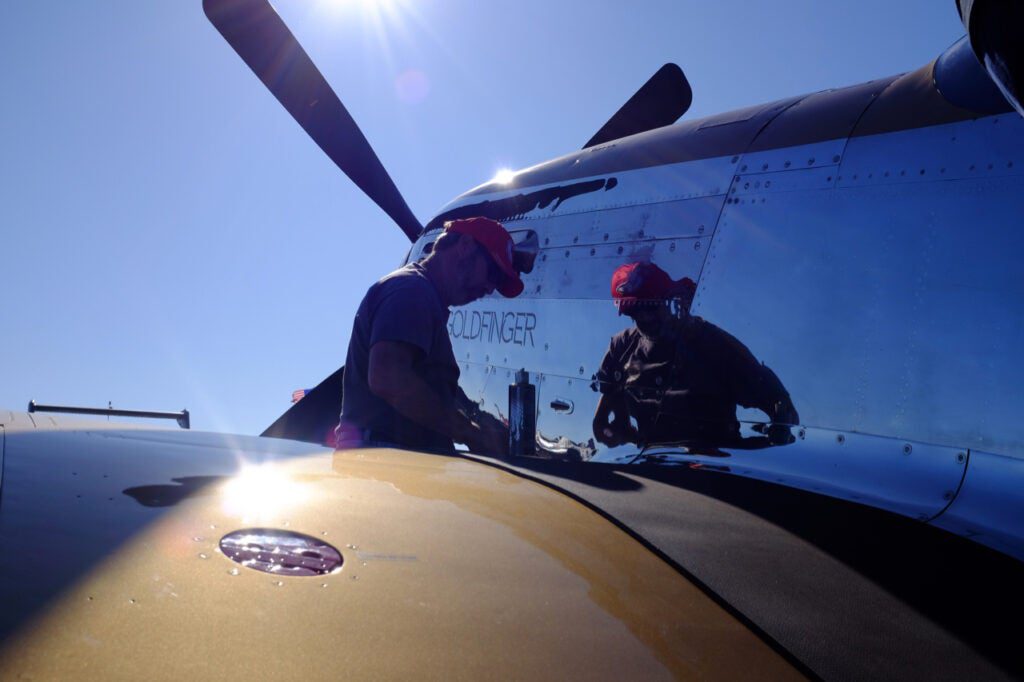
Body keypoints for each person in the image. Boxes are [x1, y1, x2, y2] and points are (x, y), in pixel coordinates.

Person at [336, 217, 523, 455]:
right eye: (492, 273)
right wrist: (470, 433)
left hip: (387, 461)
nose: (489, 288)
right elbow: (388, 378)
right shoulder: (411, 291)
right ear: (465, 247)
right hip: (382, 464)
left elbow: (422, 386)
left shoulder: (422, 295)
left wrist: (481, 421)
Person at [593, 261, 798, 448]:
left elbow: (781, 409)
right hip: (651, 468)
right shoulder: (621, 347)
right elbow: (602, 425)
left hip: (713, 471)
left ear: (668, 299)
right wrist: (626, 436)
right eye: (635, 311)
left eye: (651, 306)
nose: (645, 318)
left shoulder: (712, 343)